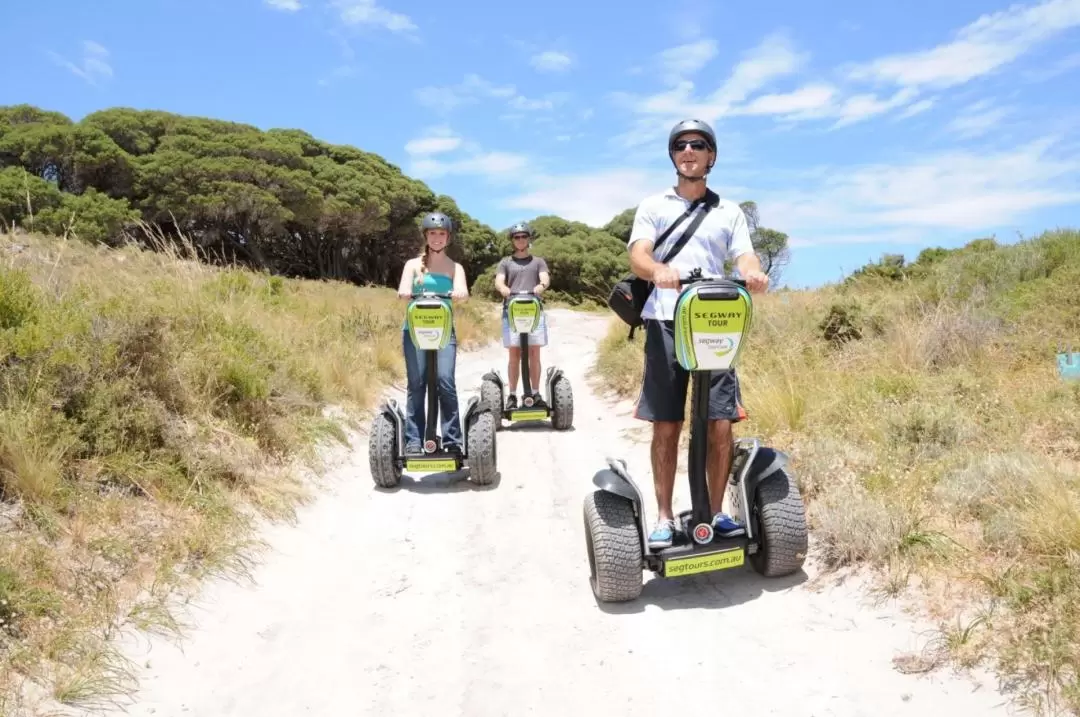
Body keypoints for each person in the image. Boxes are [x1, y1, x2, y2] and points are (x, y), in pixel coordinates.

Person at [626, 119, 770, 549]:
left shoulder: (729, 211)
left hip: (714, 322)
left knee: (720, 423)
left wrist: (753, 273)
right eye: (681, 145)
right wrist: (658, 271)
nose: (689, 151)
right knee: (667, 424)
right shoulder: (654, 205)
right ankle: (666, 516)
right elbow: (638, 254)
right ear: (673, 155)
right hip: (667, 318)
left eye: (699, 145)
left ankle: (717, 511)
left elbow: (744, 256)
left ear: (712, 156)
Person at [396, 211, 470, 454]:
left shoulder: (454, 267)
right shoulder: (412, 265)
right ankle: (414, 440)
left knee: (445, 381)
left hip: (444, 330)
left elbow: (463, 292)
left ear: (448, 237)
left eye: (441, 233)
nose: (437, 238)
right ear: (426, 236)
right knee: (416, 384)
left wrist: (459, 293)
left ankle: (451, 440)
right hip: (415, 330)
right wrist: (406, 291)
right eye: (432, 233)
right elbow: (403, 289)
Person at [493, 221, 551, 410]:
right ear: (512, 240)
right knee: (514, 355)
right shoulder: (505, 262)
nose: (520, 240)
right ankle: (512, 395)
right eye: (517, 237)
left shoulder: (538, 261)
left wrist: (540, 286)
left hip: (533, 311)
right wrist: (503, 289)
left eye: (524, 236)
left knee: (534, 354)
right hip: (512, 311)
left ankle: (535, 393)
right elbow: (499, 281)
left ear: (529, 239)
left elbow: (545, 278)